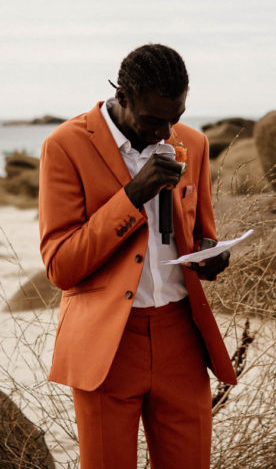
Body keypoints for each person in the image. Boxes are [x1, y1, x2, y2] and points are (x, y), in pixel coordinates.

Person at [39, 43, 237, 469]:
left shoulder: (194, 144)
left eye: (176, 117)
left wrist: (210, 257)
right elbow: (61, 266)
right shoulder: (65, 146)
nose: (166, 132)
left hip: (182, 337)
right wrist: (132, 197)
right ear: (122, 96)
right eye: (152, 120)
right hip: (107, 347)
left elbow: (202, 234)